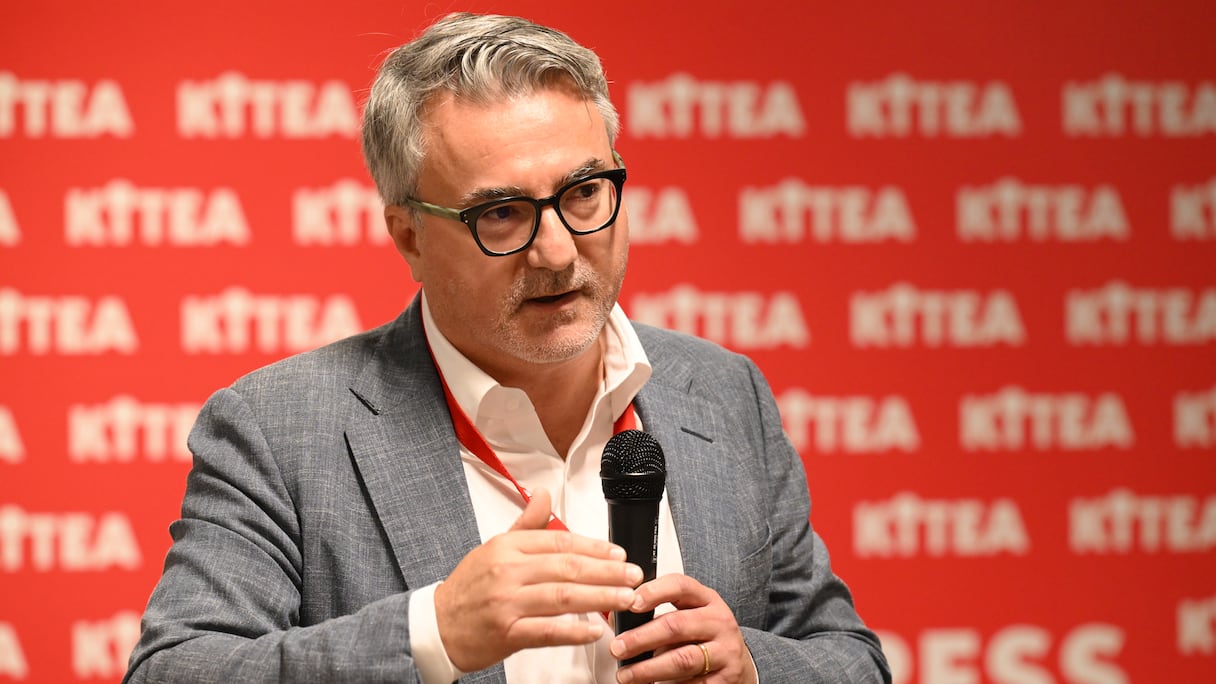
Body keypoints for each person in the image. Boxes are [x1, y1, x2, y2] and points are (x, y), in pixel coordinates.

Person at [124, 12, 890, 684]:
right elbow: (175, 669)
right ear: (409, 236)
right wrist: (433, 634)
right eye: (501, 213)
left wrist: (753, 667)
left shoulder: (722, 393)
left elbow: (848, 658)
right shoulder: (280, 429)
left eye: (584, 193)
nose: (557, 252)